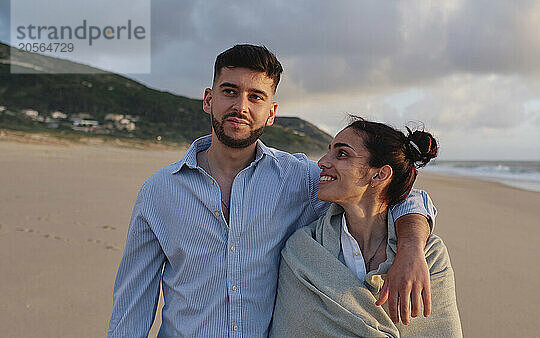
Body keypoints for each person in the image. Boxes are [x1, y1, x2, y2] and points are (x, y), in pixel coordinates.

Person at [107, 45, 437, 337]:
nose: (241, 106)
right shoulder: (158, 191)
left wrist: (410, 248)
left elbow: (396, 192)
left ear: (272, 113)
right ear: (209, 99)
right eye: (229, 91)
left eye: (256, 96)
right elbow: (134, 299)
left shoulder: (300, 179)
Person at [270, 117, 462, 337]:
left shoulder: (429, 255)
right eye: (329, 151)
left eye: (342, 154)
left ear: (380, 174)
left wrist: (411, 246)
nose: (322, 161)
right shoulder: (302, 251)